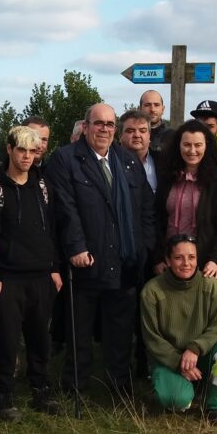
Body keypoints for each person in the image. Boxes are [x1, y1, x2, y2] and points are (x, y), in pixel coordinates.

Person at [44, 103, 155, 399]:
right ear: (86, 126)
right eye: (98, 123)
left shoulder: (127, 162)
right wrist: (76, 246)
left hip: (124, 263)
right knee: (79, 333)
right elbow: (65, 209)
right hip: (86, 263)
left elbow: (145, 209)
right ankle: (75, 389)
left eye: (109, 124)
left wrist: (143, 248)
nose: (104, 129)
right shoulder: (66, 159)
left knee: (119, 334)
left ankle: (119, 389)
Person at [0, 127, 63, 420]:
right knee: (6, 341)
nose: (27, 157)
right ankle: (4, 397)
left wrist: (55, 268)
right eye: (21, 150)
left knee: (40, 339)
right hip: (8, 278)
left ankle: (41, 391)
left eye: (32, 151)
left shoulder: (43, 186)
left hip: (41, 276)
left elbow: (53, 230)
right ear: (9, 149)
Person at [140, 235, 217, 425]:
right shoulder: (151, 291)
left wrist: (195, 348)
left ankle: (215, 407)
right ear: (168, 260)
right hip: (169, 359)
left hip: (201, 355)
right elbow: (152, 339)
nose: (186, 263)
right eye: (179, 258)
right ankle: (178, 389)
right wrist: (180, 362)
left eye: (192, 257)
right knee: (177, 400)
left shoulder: (211, 286)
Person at [152, 120, 217, 281]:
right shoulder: (167, 177)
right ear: (178, 145)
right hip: (167, 266)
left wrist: (216, 260)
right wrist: (157, 258)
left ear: (207, 145)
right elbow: (156, 220)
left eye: (198, 145)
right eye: (187, 145)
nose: (192, 150)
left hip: (205, 268)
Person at [120, 110, 156, 192]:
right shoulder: (110, 162)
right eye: (130, 131)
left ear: (149, 136)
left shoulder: (162, 162)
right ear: (120, 136)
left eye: (142, 131)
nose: (137, 135)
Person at [139, 89, 169, 156]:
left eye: (156, 105)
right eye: (147, 105)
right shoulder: (131, 135)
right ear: (139, 109)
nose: (152, 109)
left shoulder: (173, 137)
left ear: (163, 109)